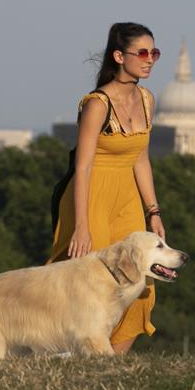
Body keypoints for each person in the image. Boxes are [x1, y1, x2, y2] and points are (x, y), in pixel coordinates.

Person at [48, 22, 165, 355]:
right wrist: (82, 227)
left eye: (153, 52)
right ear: (119, 56)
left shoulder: (146, 100)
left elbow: (140, 159)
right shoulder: (97, 104)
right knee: (91, 281)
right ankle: (74, 354)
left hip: (127, 197)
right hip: (91, 196)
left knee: (140, 281)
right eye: (142, 53)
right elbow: (82, 167)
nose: (150, 60)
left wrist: (153, 211)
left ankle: (112, 365)